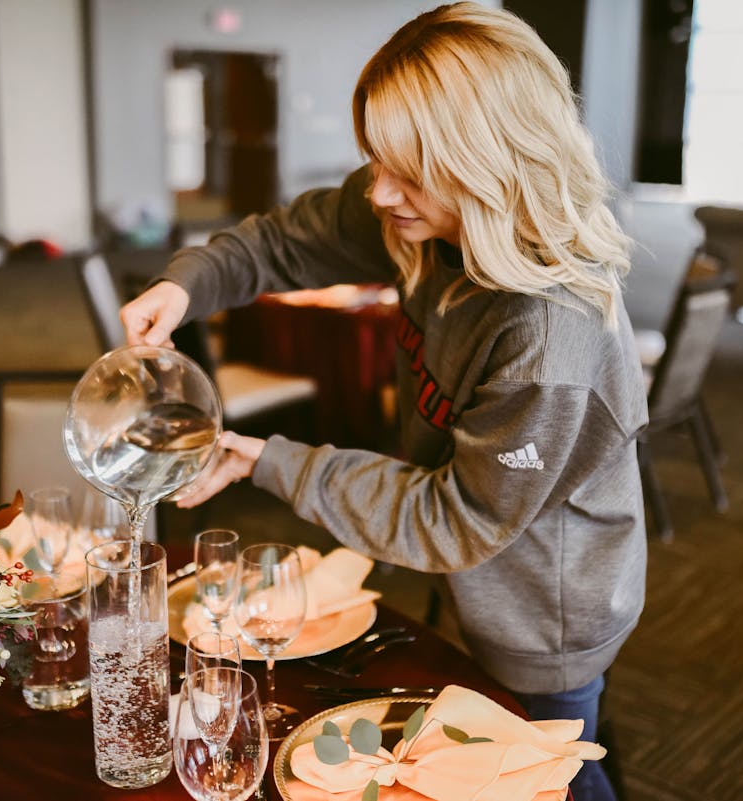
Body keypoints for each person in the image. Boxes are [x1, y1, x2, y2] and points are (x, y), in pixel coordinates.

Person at [121, 5, 645, 799]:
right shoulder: (429, 221)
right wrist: (184, 285)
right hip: (475, 573)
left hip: (544, 617)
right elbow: (282, 241)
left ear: (494, 162)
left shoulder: (547, 342)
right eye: (377, 158)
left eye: (409, 169)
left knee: (538, 775)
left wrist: (269, 459)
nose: (380, 191)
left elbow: (453, 518)